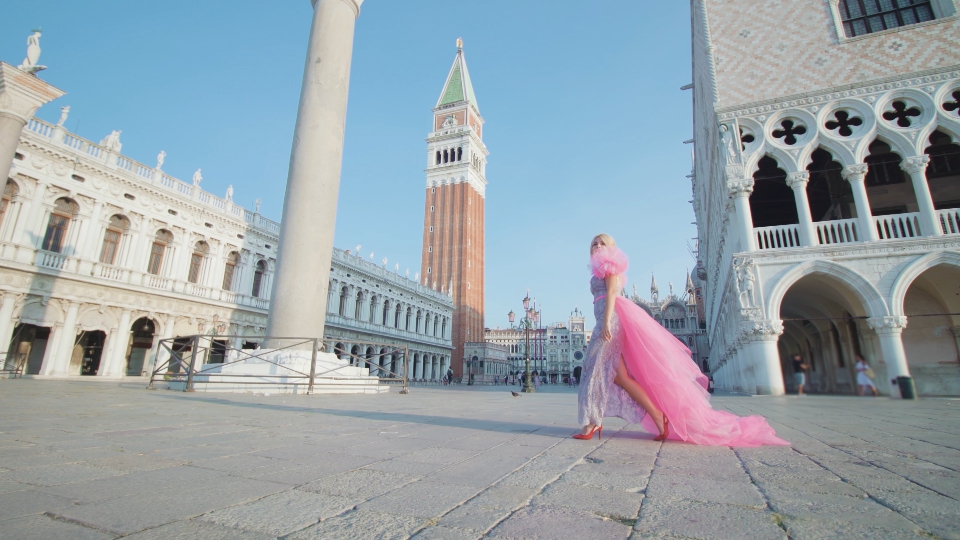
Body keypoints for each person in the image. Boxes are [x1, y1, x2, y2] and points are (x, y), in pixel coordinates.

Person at [575, 234, 788, 447]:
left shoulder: (609, 265)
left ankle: (591, 422)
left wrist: (605, 324)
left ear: (611, 247)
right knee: (620, 377)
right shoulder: (597, 270)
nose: (598, 245)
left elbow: (612, 292)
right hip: (604, 319)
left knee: (592, 371)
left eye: (603, 242)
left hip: (609, 321)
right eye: (594, 242)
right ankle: (658, 416)